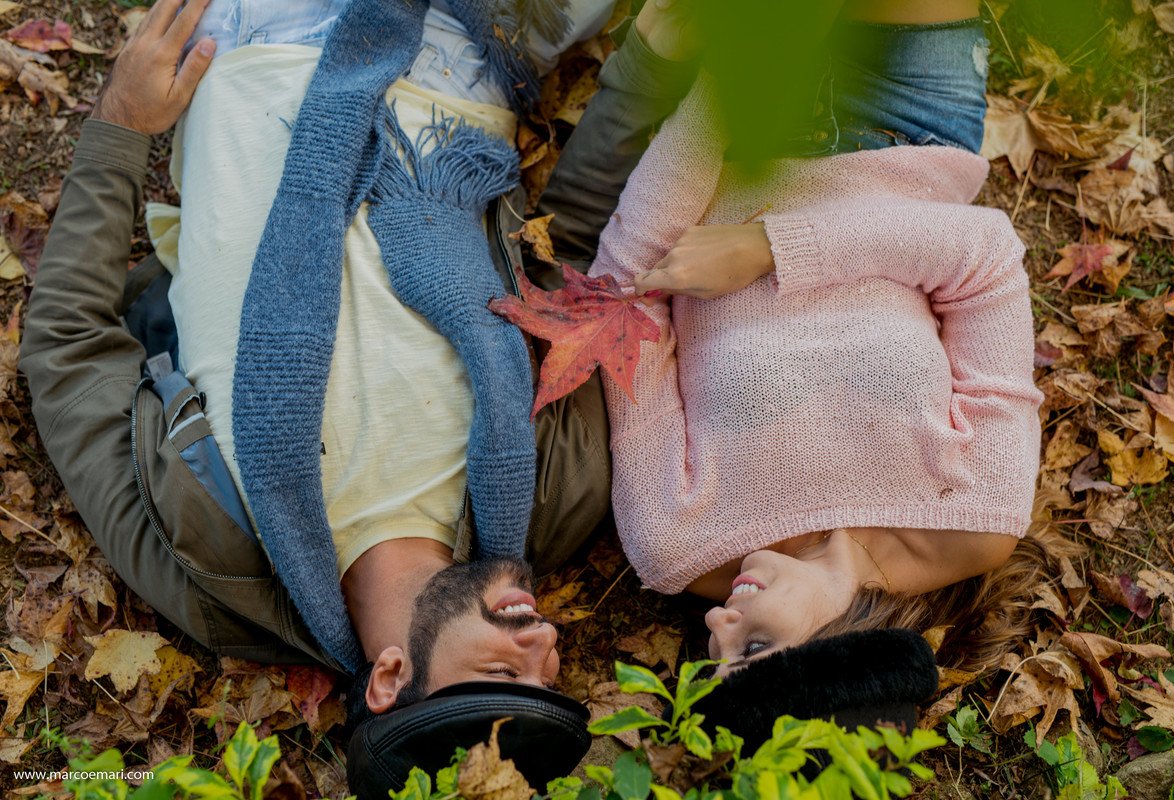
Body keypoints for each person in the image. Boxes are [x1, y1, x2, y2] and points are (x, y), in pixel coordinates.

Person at [19, 0, 699, 778]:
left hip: (258, 53)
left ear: (389, 678)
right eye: (550, 675)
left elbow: (67, 352)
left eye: (506, 672)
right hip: (469, 59)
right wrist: (647, 70)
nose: (545, 642)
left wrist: (121, 125)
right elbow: (563, 264)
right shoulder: (552, 496)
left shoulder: (217, 572)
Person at [587, 0, 1060, 697]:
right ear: (845, 652)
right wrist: (772, 248)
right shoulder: (977, 513)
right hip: (914, 127)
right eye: (751, 644)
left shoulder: (676, 545)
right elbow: (984, 260)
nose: (718, 621)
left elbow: (625, 301)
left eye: (714, 652)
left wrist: (718, 105)